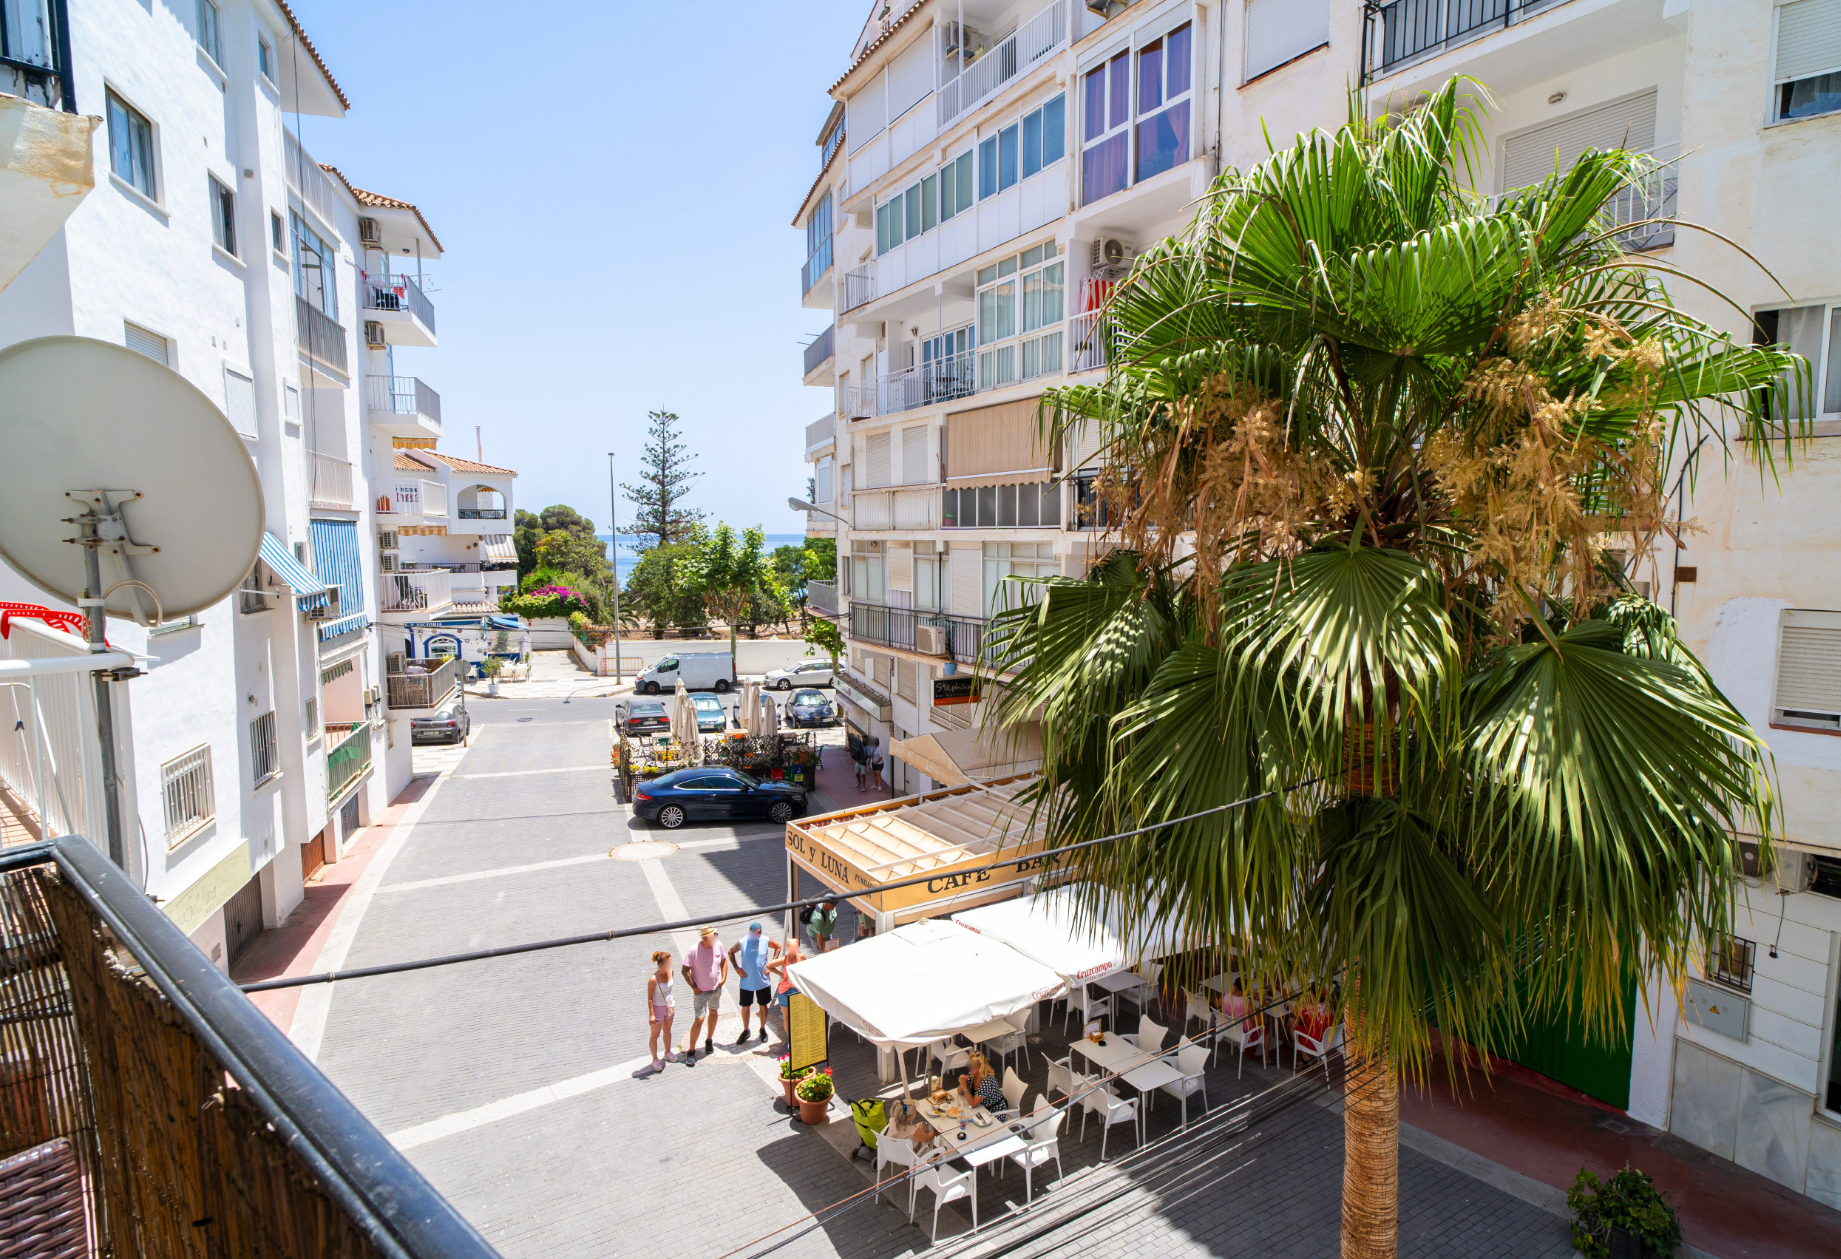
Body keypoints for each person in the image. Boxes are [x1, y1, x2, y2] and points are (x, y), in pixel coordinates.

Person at [680, 926, 728, 1063]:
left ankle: (709, 1040)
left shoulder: (719, 945)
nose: (716, 937)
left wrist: (723, 979)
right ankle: (691, 1051)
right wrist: (694, 987)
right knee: (699, 1020)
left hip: (715, 989)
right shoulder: (694, 950)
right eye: (714, 935)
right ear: (705, 938)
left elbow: (724, 961)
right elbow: (684, 970)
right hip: (700, 992)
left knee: (713, 1012)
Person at [728, 922, 781, 1045]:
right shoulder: (742, 942)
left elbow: (778, 946)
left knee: (763, 1005)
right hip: (747, 981)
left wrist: (771, 964)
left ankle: (762, 1029)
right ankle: (746, 1030)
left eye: (759, 932)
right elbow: (730, 952)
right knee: (745, 1006)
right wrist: (737, 968)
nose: (757, 935)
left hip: (762, 981)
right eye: (755, 932)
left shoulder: (765, 940)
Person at [646, 950, 677, 1071]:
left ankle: (667, 1052)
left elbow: (670, 989)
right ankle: (654, 1059)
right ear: (660, 964)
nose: (670, 965)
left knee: (668, 1030)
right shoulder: (653, 979)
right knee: (655, 1035)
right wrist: (652, 1015)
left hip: (669, 1006)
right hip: (658, 1008)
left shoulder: (671, 971)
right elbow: (650, 998)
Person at [769, 935, 805, 1039]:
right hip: (785, 991)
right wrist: (782, 975)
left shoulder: (801, 957)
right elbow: (769, 966)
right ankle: (791, 1039)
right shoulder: (785, 959)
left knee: (799, 1016)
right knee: (786, 1017)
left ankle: (799, 1038)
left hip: (798, 990)